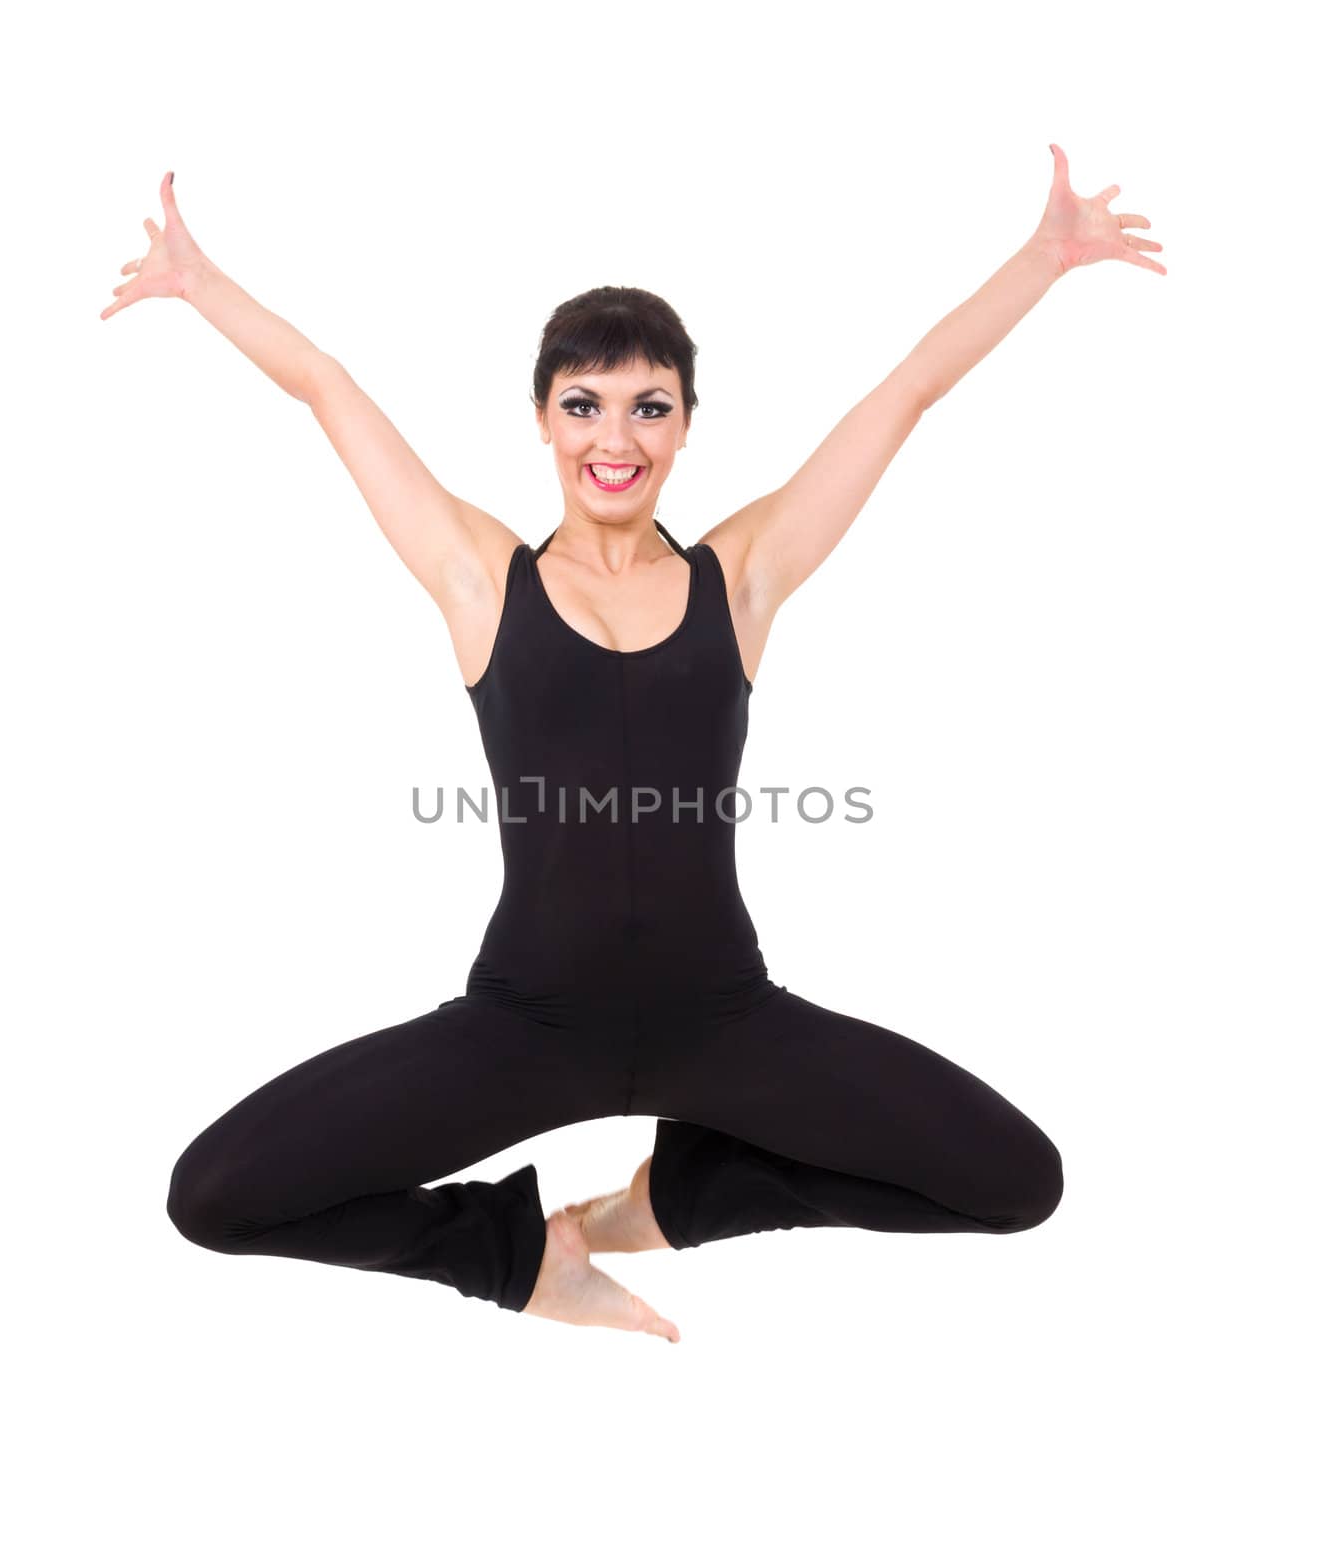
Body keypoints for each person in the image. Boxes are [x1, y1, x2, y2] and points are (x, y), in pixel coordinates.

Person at [108, 145, 1165, 1342]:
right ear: (546, 421)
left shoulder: (743, 577)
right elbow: (325, 385)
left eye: (647, 406)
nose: (615, 436)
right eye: (585, 404)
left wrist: (1042, 258)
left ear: (683, 425)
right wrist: (199, 282)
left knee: (1015, 1183)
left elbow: (904, 393)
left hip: (724, 1019)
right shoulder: (479, 581)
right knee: (214, 1196)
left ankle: (679, 1197)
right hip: (523, 1026)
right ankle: (512, 1255)